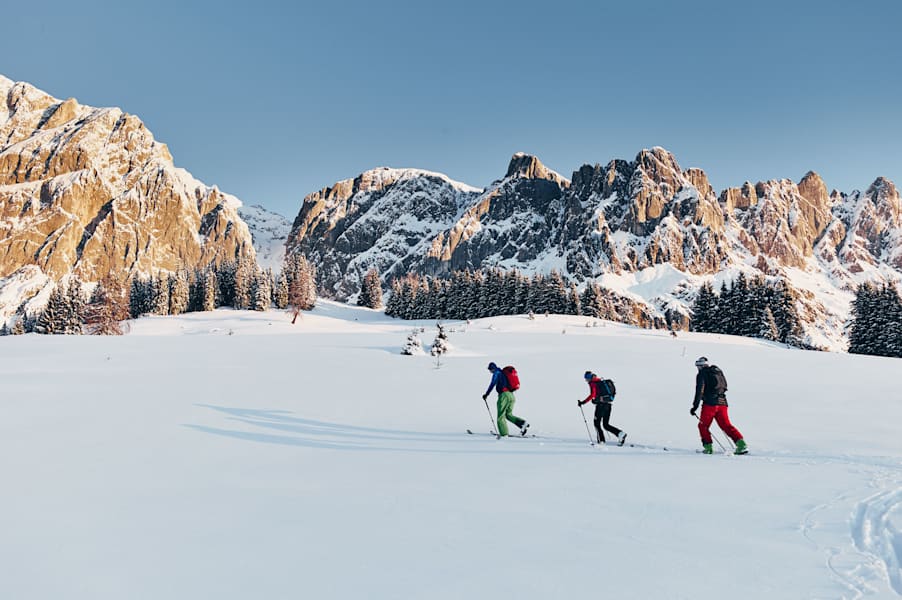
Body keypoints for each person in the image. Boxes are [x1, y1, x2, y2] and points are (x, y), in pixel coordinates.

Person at [691, 357, 748, 455]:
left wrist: (695, 406)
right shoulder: (717, 371)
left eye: (698, 366)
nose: (698, 368)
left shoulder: (702, 374)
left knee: (703, 426)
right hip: (723, 403)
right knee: (726, 425)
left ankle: (708, 448)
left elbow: (699, 390)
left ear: (701, 366)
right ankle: (741, 445)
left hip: (709, 404)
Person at [578, 371, 627, 445]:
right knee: (605, 425)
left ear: (589, 378)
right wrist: (595, 400)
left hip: (601, 406)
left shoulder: (593, 383)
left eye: (586, 378)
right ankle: (620, 434)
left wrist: (583, 402)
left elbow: (593, 394)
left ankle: (601, 441)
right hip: (608, 405)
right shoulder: (600, 381)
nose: (586, 380)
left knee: (596, 423)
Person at [483, 362, 529, 437]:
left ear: (492, 369)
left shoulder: (497, 373)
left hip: (504, 396)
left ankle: (504, 434)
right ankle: (523, 423)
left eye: (490, 370)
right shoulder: (503, 373)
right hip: (511, 396)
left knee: (500, 417)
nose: (490, 372)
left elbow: (492, 384)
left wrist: (486, 394)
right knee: (508, 415)